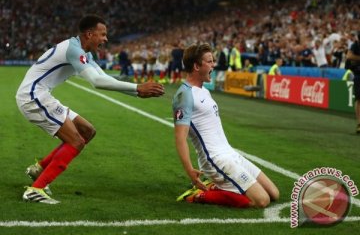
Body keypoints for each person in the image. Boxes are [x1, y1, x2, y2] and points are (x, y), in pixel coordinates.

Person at [16, 14, 165, 204]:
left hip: (41, 95)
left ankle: (39, 169)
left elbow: (106, 80)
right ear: (89, 34)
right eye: (102, 34)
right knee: (76, 141)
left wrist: (138, 93)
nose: (106, 39)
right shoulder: (74, 49)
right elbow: (96, 82)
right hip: (33, 97)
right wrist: (137, 88)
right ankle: (35, 190)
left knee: (87, 131)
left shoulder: (84, 53)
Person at [172, 43, 279, 208]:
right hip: (215, 159)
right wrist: (190, 172)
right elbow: (180, 138)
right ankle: (201, 195)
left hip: (230, 154)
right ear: (196, 66)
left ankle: (214, 185)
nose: (213, 65)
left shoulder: (204, 91)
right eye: (209, 61)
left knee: (274, 194)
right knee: (261, 200)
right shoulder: (184, 95)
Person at [345, 31, 360, 134]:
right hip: (359, 75)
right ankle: (359, 124)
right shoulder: (355, 45)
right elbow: (349, 56)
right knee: (359, 99)